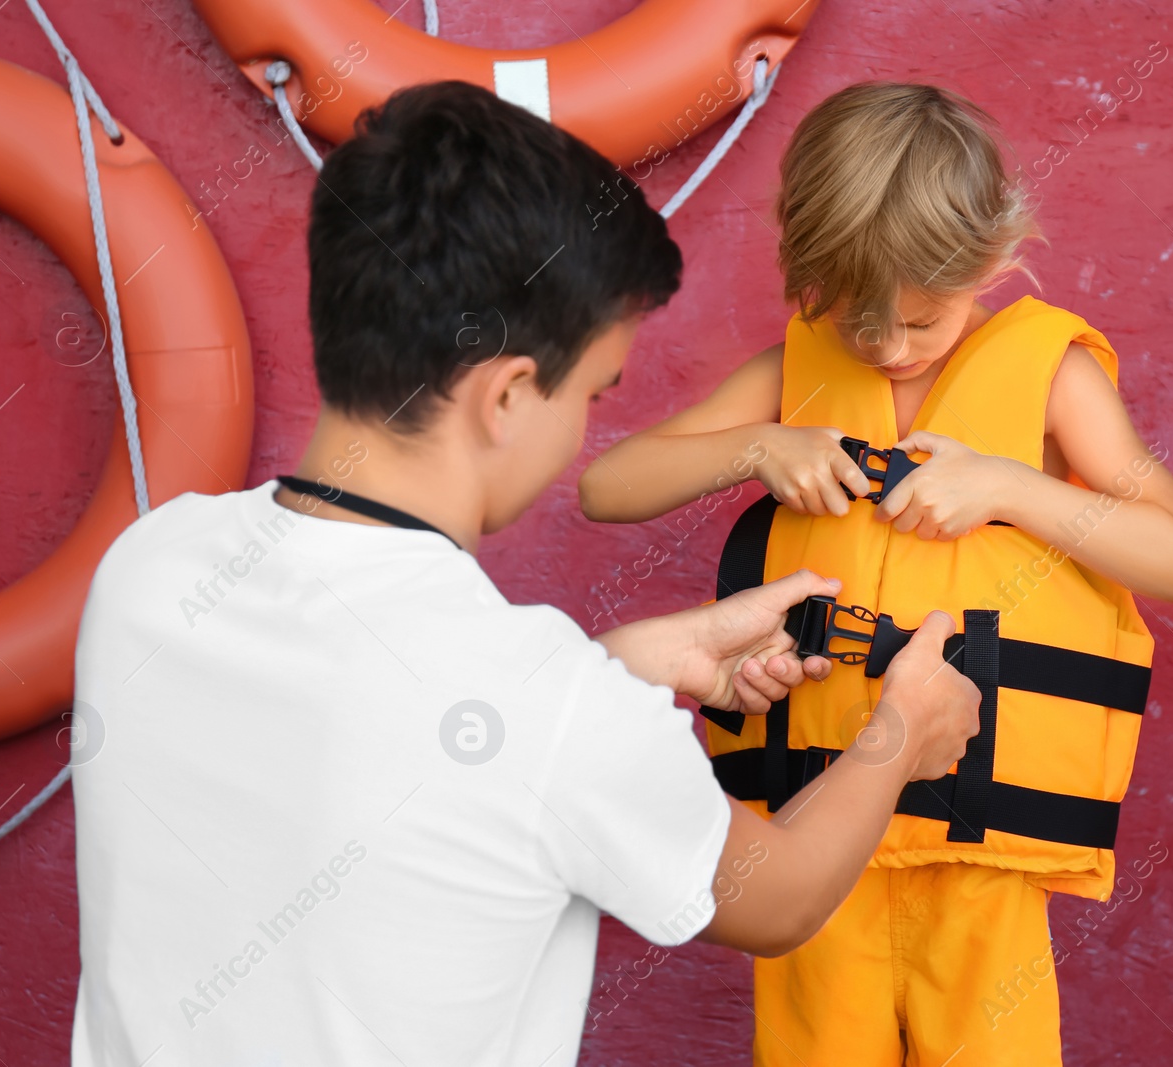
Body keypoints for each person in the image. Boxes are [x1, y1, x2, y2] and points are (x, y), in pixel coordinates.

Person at [67, 82, 981, 1067]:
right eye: (591, 391)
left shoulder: (148, 571)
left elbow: (391, 730)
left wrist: (621, 663)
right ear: (506, 396)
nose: (585, 425)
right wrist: (902, 731)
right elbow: (784, 892)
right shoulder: (550, 708)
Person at [579, 81, 1173, 1066]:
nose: (882, 346)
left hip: (975, 857)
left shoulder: (1054, 377)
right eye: (852, 317)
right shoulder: (793, 375)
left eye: (919, 322)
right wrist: (755, 444)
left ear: (992, 260)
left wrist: (1012, 485)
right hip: (817, 832)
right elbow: (610, 486)